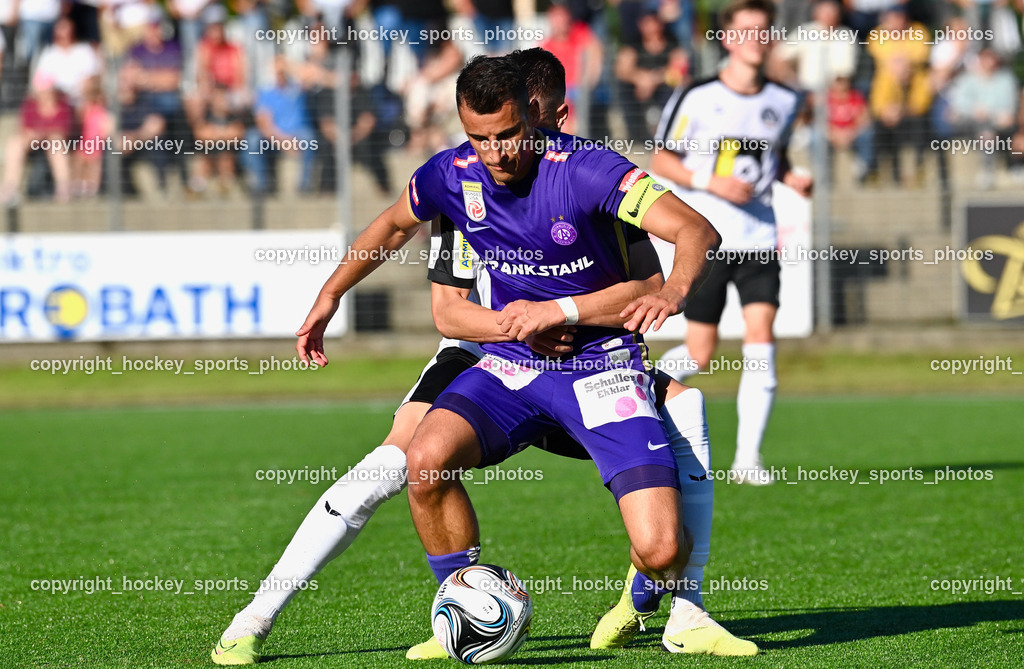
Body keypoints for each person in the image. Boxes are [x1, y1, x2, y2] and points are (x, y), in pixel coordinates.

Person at [211, 49, 754, 665]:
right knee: (418, 460)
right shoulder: (453, 176)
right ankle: (457, 606)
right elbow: (399, 239)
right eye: (478, 138)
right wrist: (329, 296)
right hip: (502, 360)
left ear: (538, 115)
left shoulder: (591, 173)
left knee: (662, 534)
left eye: (508, 135)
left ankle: (667, 598)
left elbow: (689, 238)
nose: (495, 153)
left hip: (600, 367)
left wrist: (647, 297)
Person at [653, 0, 812, 485]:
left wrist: (792, 178)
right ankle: (643, 382)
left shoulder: (786, 100)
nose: (755, 41)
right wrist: (711, 182)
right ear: (726, 39)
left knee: (761, 339)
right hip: (709, 238)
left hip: (760, 239)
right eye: (745, 32)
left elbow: (770, 159)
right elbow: (662, 158)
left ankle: (748, 459)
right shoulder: (697, 96)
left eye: (763, 32)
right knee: (700, 352)